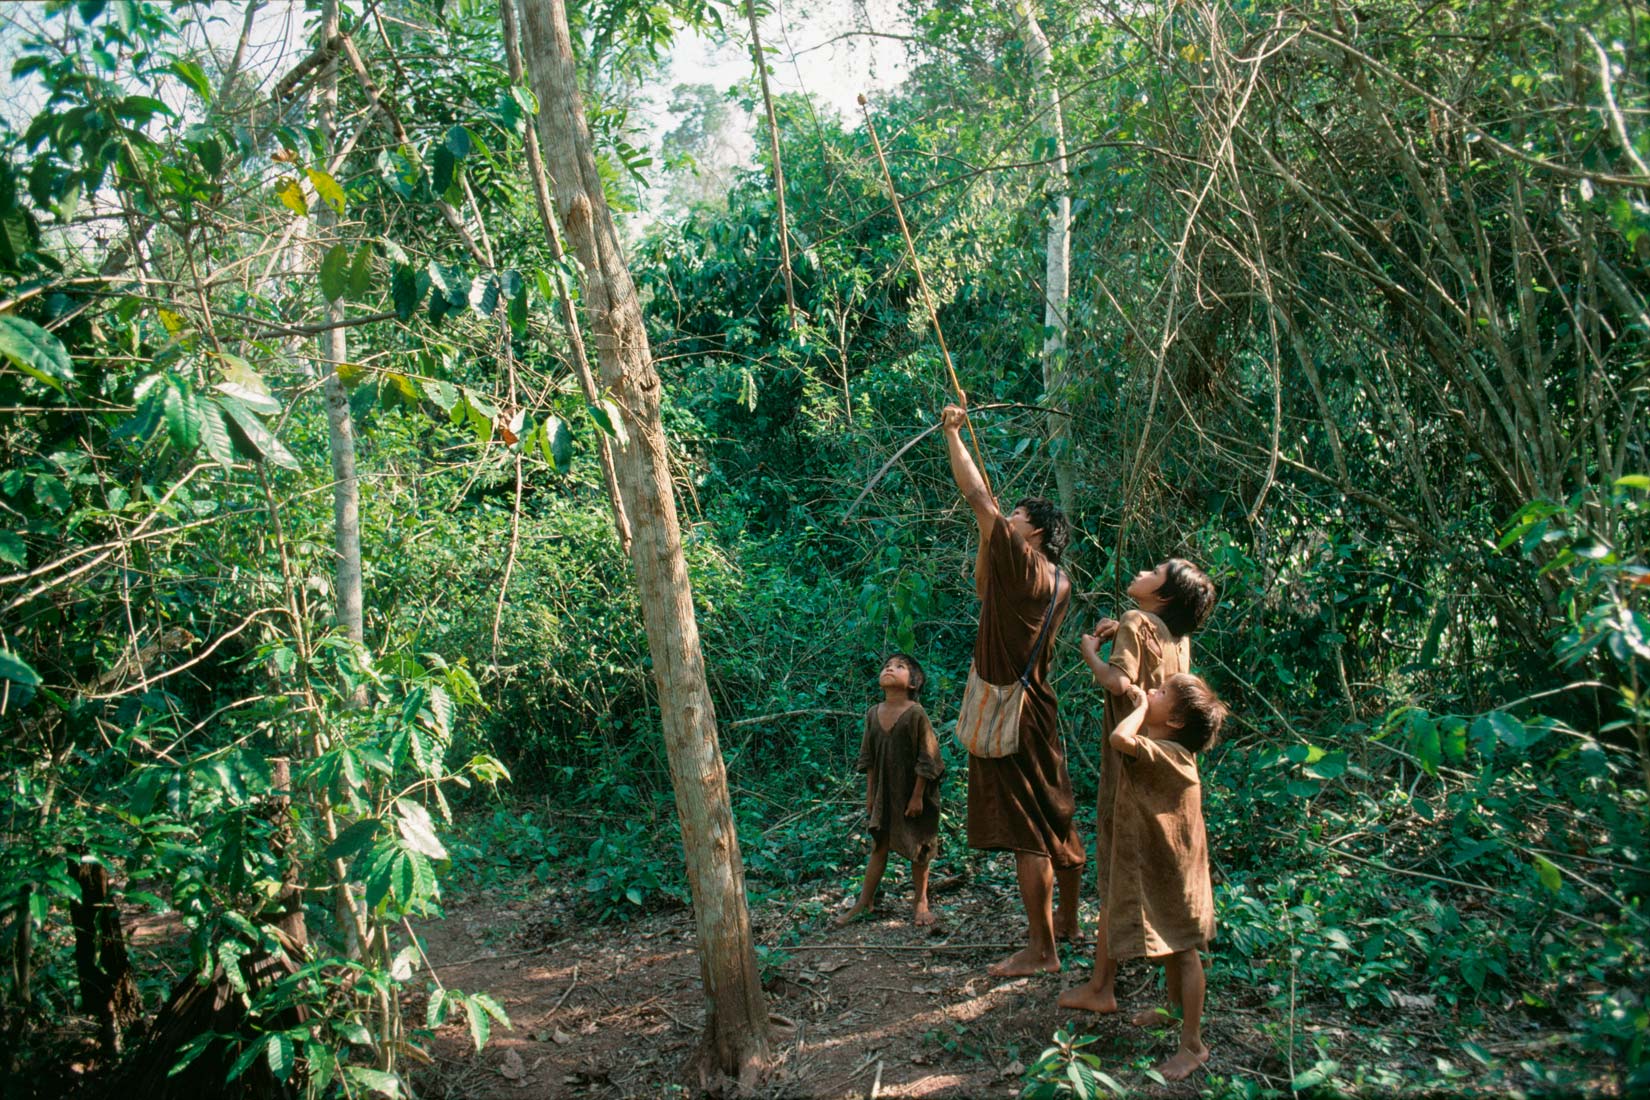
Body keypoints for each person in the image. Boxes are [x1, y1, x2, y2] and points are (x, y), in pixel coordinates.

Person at [940, 404, 1084, 977]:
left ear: (1037, 532)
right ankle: (1069, 924)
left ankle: (1042, 949)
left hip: (1012, 711)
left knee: (1029, 829)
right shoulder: (1058, 580)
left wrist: (953, 433)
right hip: (1039, 708)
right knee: (1055, 812)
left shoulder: (1024, 563)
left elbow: (979, 498)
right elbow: (982, 587)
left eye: (1019, 515)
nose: (1011, 517)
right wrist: (988, 535)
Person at [1061, 559, 1215, 1013]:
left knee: (1117, 872)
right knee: (1161, 880)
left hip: (1130, 762)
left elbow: (1118, 681)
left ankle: (1101, 987)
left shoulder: (1134, 620)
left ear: (1163, 595)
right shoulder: (1178, 639)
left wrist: (1089, 651)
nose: (1145, 570)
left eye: (1158, 570)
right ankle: (1155, 999)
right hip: (1163, 772)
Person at [1097, 675, 1227, 1081]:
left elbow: (1120, 738)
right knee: (1171, 945)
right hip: (1165, 869)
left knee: (1185, 951)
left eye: (1162, 693)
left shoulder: (1170, 754)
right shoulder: (1166, 748)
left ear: (1173, 722)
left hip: (1178, 876)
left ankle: (1193, 1045)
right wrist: (1143, 702)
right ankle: (1172, 1011)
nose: (1152, 690)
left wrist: (1135, 708)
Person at [838, 654, 946, 927]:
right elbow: (869, 759)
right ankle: (865, 902)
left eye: (900, 667)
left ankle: (920, 901)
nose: (890, 668)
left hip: (914, 794)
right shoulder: (873, 713)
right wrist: (871, 795)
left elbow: (928, 756)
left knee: (920, 846)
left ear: (913, 683)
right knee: (879, 845)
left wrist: (918, 795)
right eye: (887, 665)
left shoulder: (916, 714)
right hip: (885, 794)